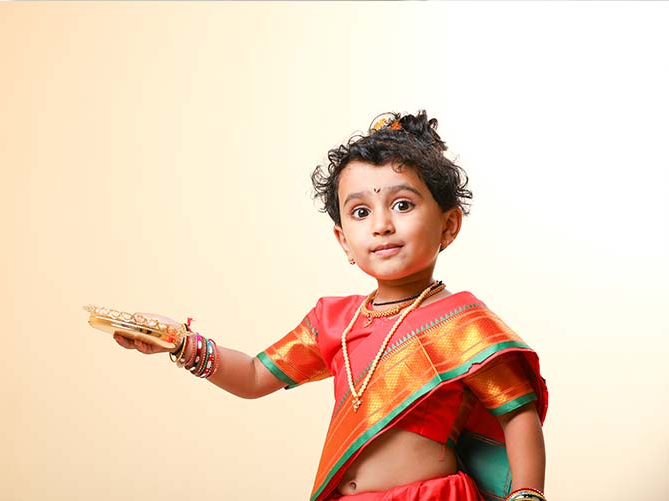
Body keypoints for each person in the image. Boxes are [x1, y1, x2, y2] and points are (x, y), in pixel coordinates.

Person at [113, 110, 548, 501]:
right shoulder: (333, 320)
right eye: (360, 212)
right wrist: (180, 342)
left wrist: (527, 495)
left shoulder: (462, 322)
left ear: (448, 225)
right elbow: (253, 375)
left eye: (402, 204)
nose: (381, 225)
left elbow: (517, 414)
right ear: (343, 240)